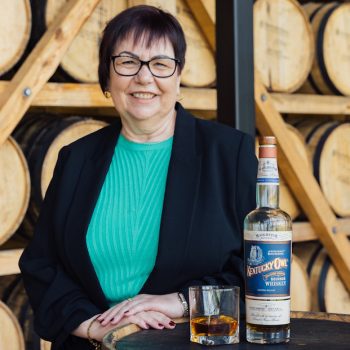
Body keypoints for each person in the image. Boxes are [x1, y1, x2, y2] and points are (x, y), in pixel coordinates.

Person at [19, 5, 257, 350]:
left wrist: (181, 302)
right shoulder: (76, 158)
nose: (144, 78)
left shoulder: (229, 154)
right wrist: (97, 327)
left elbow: (260, 267)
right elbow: (42, 264)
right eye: (128, 62)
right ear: (108, 75)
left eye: (160, 64)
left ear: (178, 75)